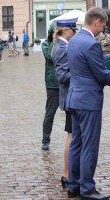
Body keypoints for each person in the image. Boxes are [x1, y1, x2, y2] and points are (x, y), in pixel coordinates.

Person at [66, 7, 110, 200]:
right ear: (97, 21)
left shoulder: (74, 40)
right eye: (103, 24)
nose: (103, 28)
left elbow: (90, 62)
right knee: (89, 145)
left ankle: (74, 185)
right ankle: (87, 188)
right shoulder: (91, 43)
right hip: (88, 101)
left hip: (74, 98)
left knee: (76, 144)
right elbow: (99, 72)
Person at [52, 18, 78, 189]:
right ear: (66, 31)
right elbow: (61, 76)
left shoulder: (64, 46)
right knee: (71, 136)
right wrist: (81, 74)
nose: (75, 34)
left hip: (71, 96)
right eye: (73, 30)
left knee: (73, 135)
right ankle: (67, 174)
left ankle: (69, 173)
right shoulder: (61, 48)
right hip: (70, 96)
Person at [41, 22, 59, 151]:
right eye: (55, 32)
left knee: (72, 113)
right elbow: (51, 57)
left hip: (67, 83)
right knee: (50, 114)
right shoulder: (46, 44)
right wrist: (54, 40)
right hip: (53, 85)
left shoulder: (67, 44)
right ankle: (45, 140)